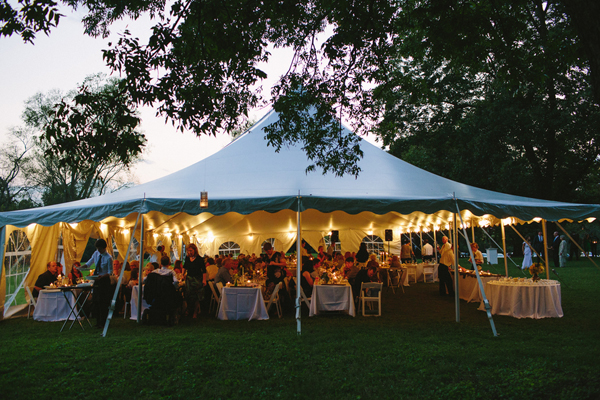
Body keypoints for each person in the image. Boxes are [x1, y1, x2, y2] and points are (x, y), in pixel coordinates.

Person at [80, 238, 113, 328]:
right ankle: (97, 321)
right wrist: (80, 267)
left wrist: (101, 277)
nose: (98, 250)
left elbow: (110, 272)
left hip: (104, 280)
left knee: (103, 302)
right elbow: (89, 263)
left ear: (104, 248)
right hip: (96, 279)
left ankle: (103, 322)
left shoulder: (108, 258)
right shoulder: (96, 253)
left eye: (100, 248)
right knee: (96, 301)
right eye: (97, 248)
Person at [183, 243, 206, 319]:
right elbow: (185, 267)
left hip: (197, 279)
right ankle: (188, 309)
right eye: (188, 251)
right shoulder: (187, 258)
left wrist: (204, 280)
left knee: (196, 296)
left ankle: (195, 312)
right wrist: (182, 274)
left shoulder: (199, 259)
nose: (189, 252)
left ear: (194, 250)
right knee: (188, 295)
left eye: (191, 250)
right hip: (189, 278)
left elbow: (204, 270)